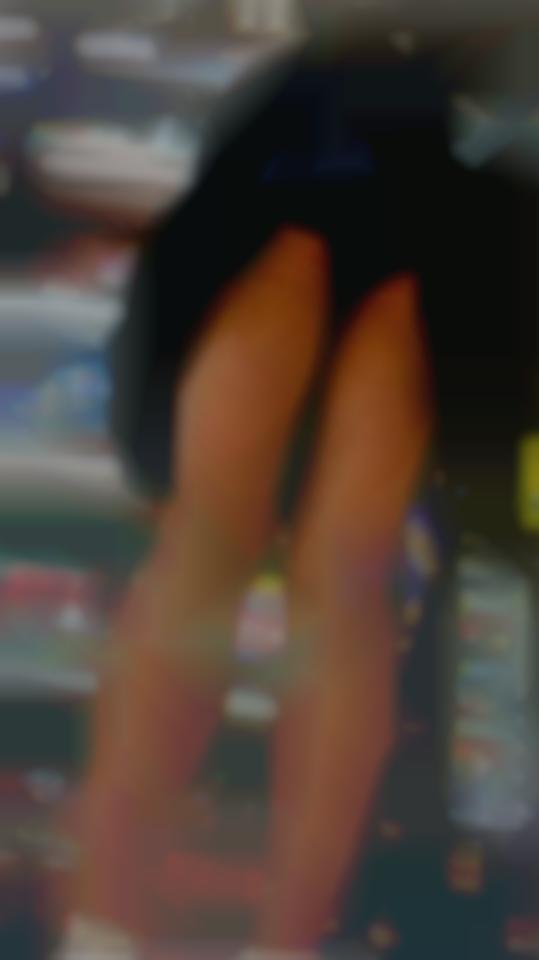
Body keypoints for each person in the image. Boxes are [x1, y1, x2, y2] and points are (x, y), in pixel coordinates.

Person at [55, 30, 533, 960]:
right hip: (419, 165)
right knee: (336, 582)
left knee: (213, 554)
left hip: (320, 149)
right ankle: (263, 944)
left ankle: (105, 930)